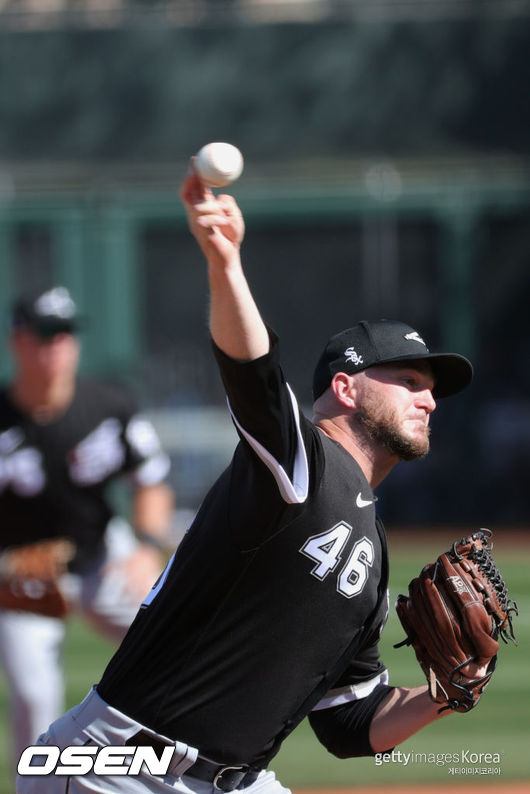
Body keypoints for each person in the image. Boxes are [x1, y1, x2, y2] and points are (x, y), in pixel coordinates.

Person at [17, 173, 480, 794]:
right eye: (410, 381)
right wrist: (226, 262)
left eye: (432, 390)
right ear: (345, 388)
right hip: (121, 769)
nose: (428, 400)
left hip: (236, 782)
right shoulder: (302, 463)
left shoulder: (371, 552)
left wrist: (447, 691)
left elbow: (350, 723)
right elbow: (253, 372)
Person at [0, 285, 174, 772]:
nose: (57, 345)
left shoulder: (109, 405)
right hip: (21, 574)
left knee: (171, 645)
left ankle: (178, 772)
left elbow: (152, 483)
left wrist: (145, 546)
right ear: (17, 341)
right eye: (45, 334)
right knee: (34, 697)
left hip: (102, 556)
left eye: (66, 334)